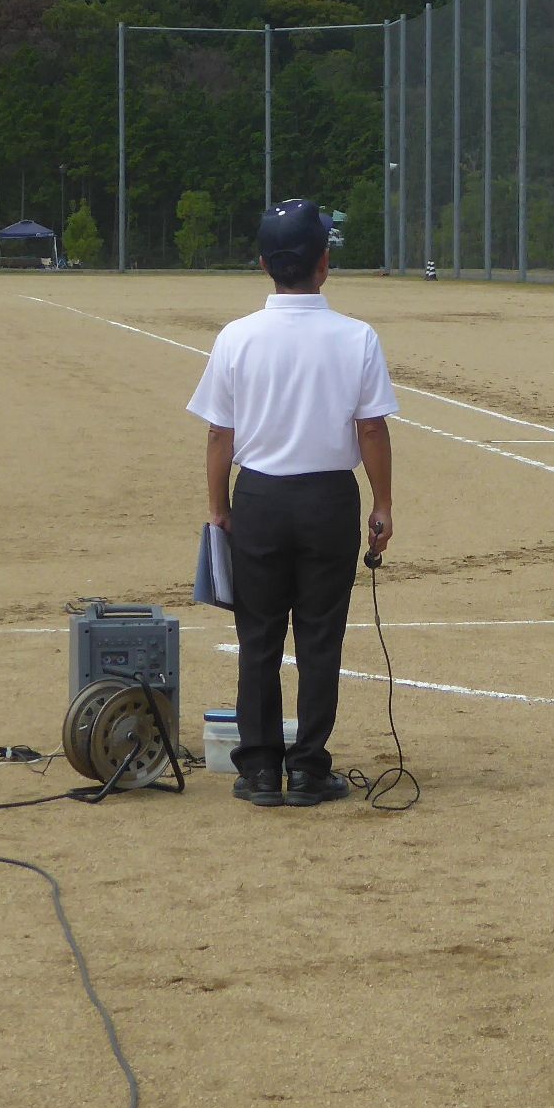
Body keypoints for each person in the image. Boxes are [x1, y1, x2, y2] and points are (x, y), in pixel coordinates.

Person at [188, 199, 398, 811]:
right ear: (323, 264)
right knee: (319, 639)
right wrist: (382, 502)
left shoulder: (236, 337)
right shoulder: (357, 336)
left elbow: (218, 434)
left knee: (258, 638)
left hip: (258, 495)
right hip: (328, 498)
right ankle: (308, 767)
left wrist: (219, 507)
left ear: (263, 264)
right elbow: (373, 430)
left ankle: (258, 769)